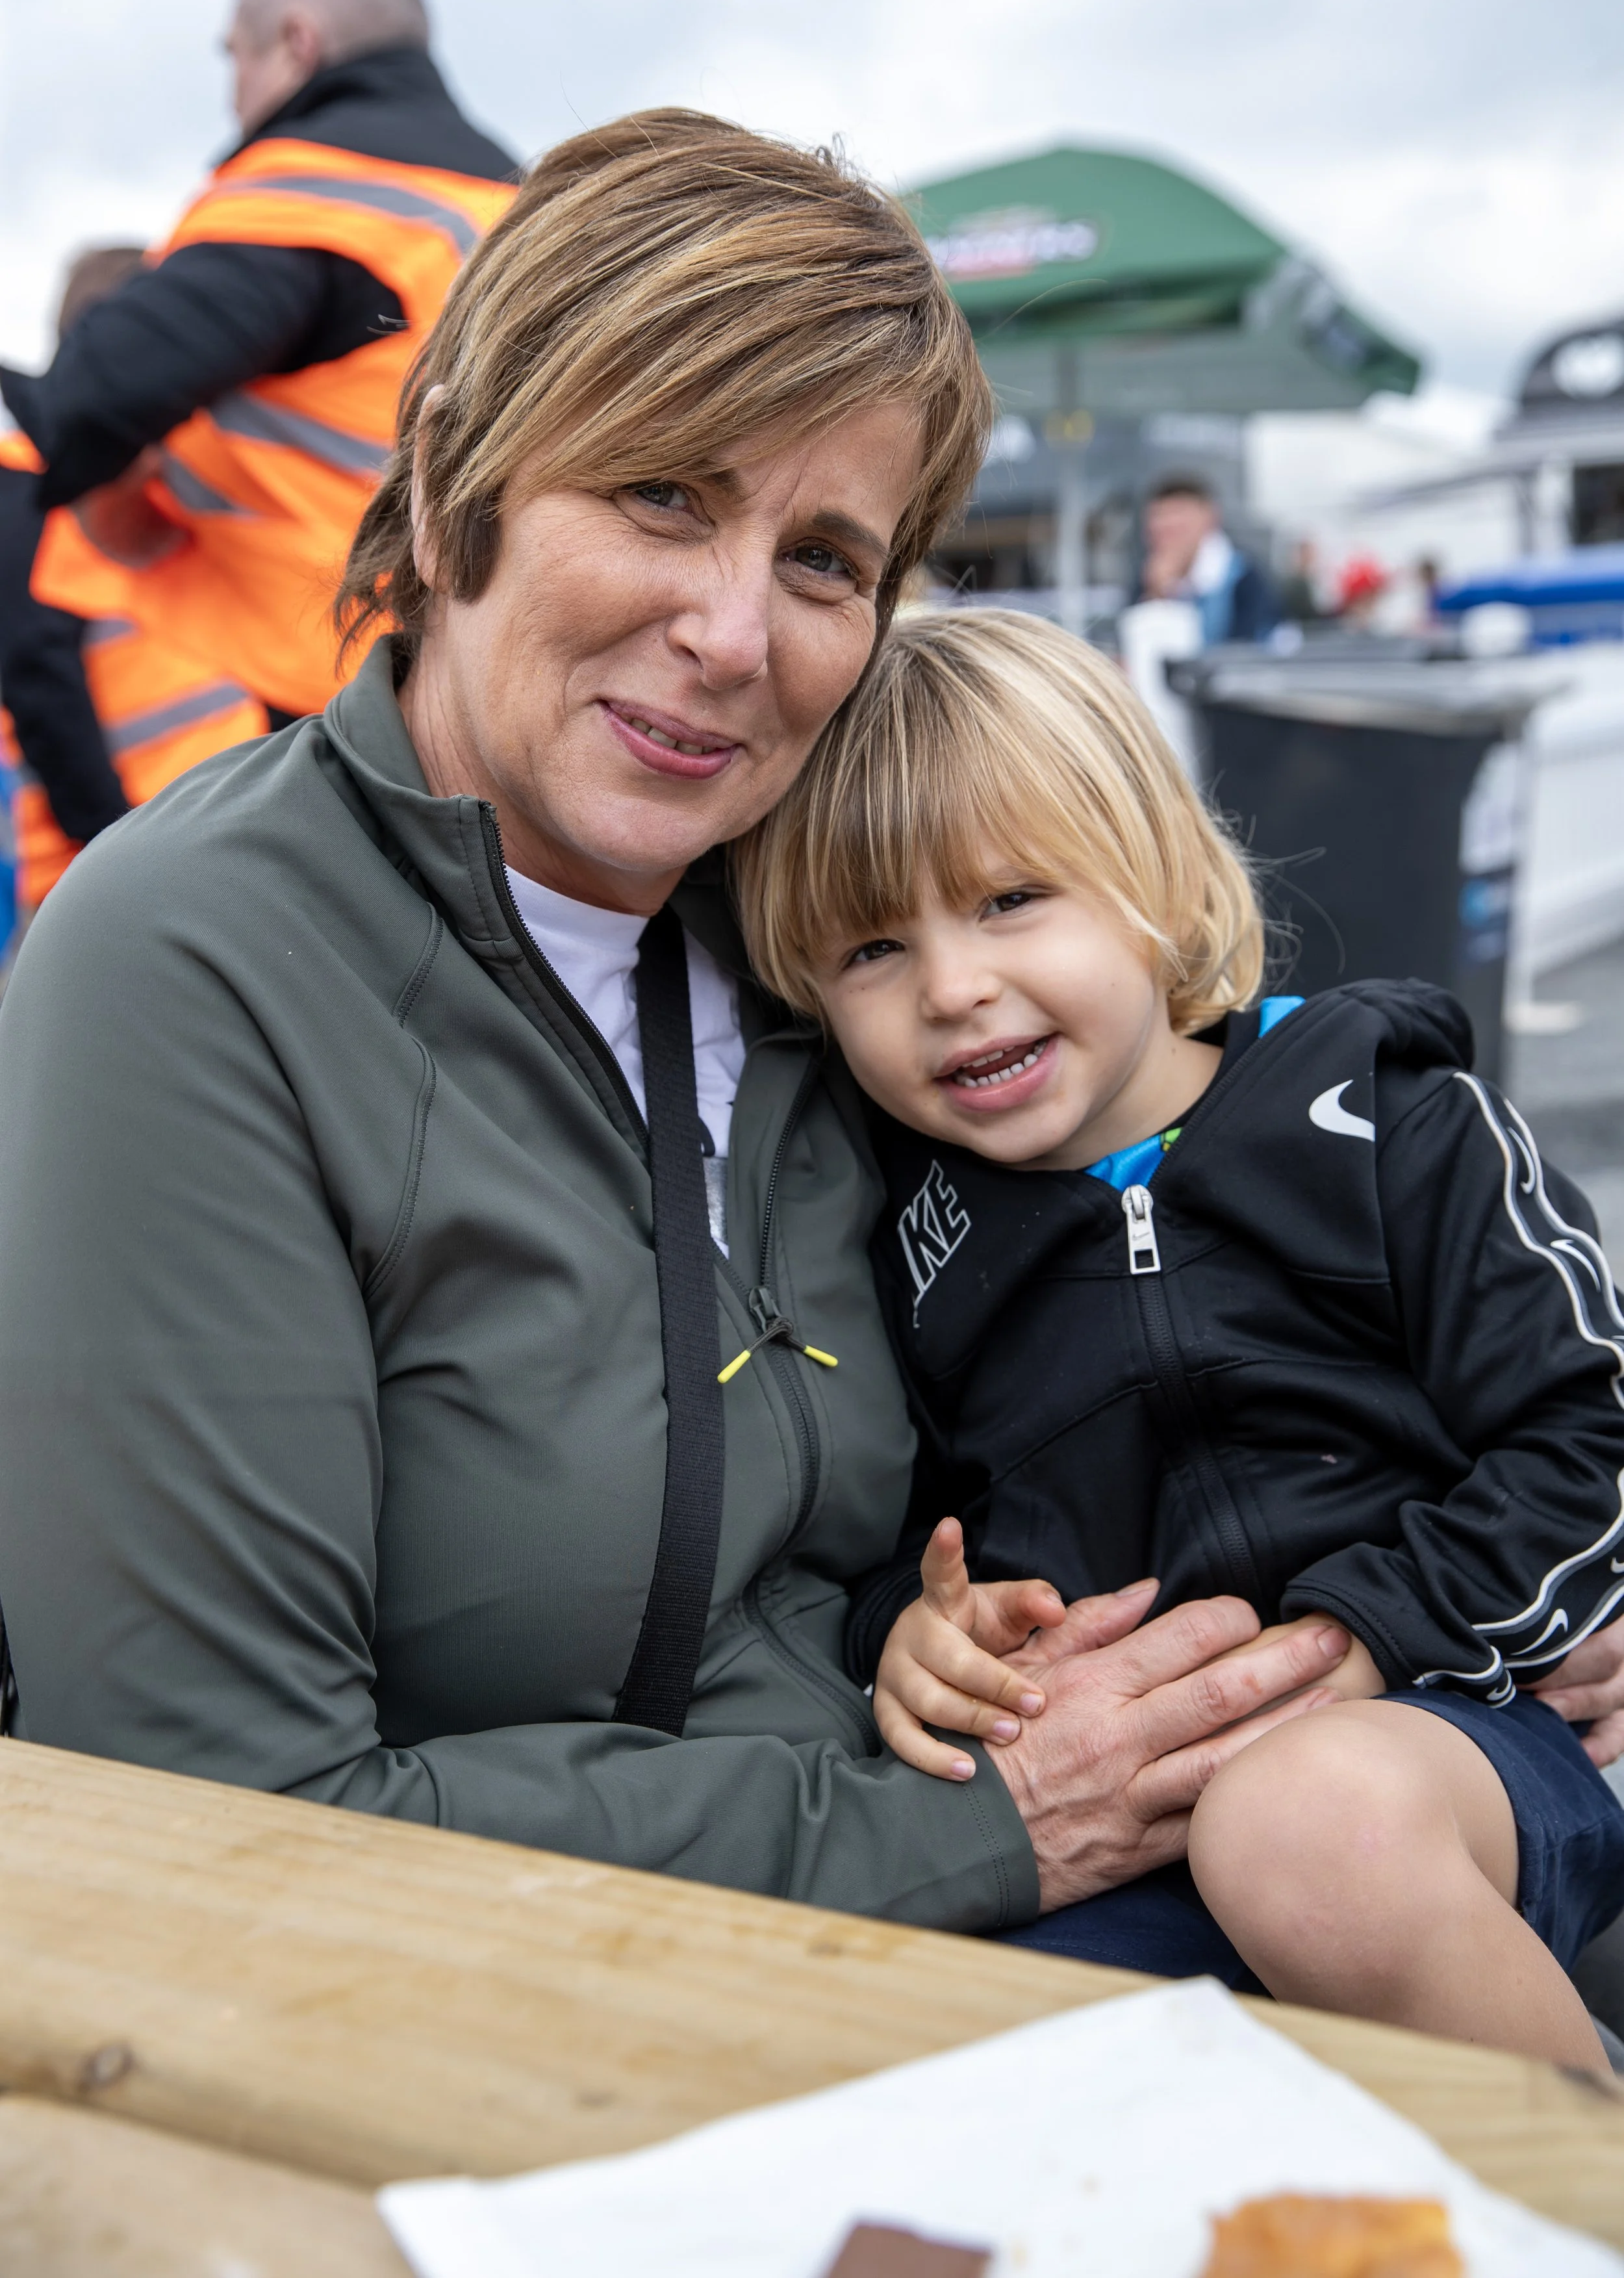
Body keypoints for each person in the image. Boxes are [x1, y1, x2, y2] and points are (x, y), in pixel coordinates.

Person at [0, 109, 1393, 1933]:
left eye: (823, 558)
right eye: (661, 492)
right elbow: (212, 1811)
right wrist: (969, 1830)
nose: (734, 633)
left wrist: (1516, 1581)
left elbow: (1214, 1216)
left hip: (1066, 1888)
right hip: (527, 2036)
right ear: (450, 485)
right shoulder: (189, 960)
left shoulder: (830, 924)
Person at [731, 606, 1624, 2064]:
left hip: (1437, 1755)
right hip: (1122, 1831)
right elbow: (888, 1533)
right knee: (906, 2036)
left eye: (1012, 899)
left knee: (1304, 1828)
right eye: (871, 949)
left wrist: (1361, 1641)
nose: (951, 987)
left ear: (1149, 881)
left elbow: (1587, 1428)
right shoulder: (899, 1248)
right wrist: (917, 1630)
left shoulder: (1388, 1121)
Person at [0, 0, 517, 723]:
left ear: (296, 43)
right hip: (506, 675)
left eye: (234, 58)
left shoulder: (304, 191)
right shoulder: (524, 209)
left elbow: (86, 402)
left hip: (354, 688)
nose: (232, 92)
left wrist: (130, 522)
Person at [1, 248, 266, 913]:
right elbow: (43, 687)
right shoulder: (30, 481)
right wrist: (119, 857)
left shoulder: (167, 471)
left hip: (214, 837)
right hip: (117, 873)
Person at [1134, 474, 1276, 645]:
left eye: (1178, 515)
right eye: (1159, 517)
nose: (1167, 525)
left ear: (1210, 518)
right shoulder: (1145, 578)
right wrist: (1156, 595)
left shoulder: (1243, 577)